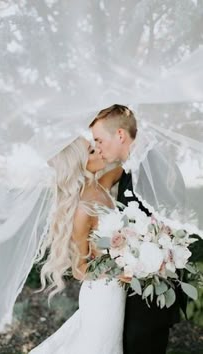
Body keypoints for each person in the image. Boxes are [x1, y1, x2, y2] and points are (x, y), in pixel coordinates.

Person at [90, 104, 185, 354]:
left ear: (120, 135)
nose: (98, 147)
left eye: (99, 140)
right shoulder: (132, 167)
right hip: (134, 286)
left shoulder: (155, 165)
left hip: (152, 290)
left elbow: (171, 227)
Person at [29, 136, 126, 354]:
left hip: (118, 289)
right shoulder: (83, 209)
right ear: (78, 165)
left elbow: (122, 167)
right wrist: (119, 272)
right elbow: (80, 270)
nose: (100, 151)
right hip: (103, 295)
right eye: (92, 151)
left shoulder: (102, 185)